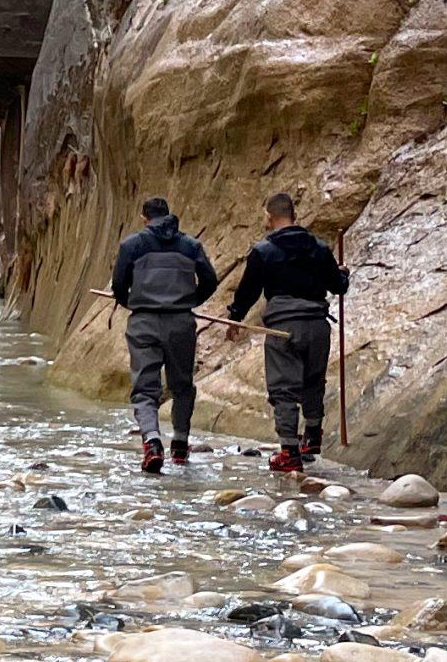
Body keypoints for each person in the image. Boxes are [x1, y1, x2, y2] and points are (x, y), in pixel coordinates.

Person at [229, 191, 348, 471]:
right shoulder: (319, 248)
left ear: (270, 217)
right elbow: (338, 286)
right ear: (293, 215)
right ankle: (313, 435)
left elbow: (248, 291)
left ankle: (289, 453)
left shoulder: (264, 251)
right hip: (318, 326)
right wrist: (344, 273)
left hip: (284, 328)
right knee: (313, 381)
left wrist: (235, 317)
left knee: (284, 389)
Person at [110, 195, 217, 474]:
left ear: (144, 218)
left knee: (145, 390)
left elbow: (119, 285)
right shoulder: (190, 246)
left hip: (143, 322)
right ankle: (180, 445)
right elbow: (210, 280)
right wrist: (190, 300)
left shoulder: (131, 245)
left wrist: (132, 302)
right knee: (182, 385)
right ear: (169, 215)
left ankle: (152, 441)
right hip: (181, 323)